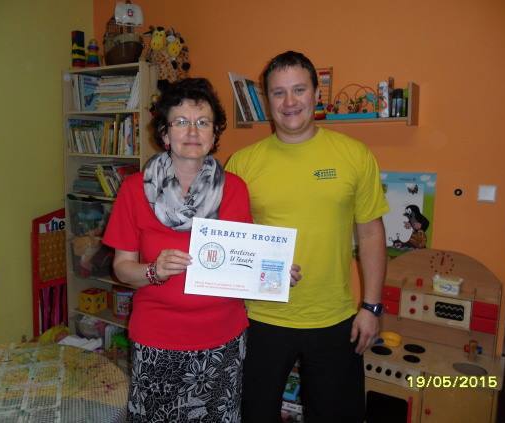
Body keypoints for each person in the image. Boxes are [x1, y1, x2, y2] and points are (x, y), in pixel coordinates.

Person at [226, 51, 389, 422]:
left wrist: (371, 308)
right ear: (267, 100)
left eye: (299, 90)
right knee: (253, 415)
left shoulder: (354, 155)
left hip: (334, 319)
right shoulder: (242, 164)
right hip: (260, 318)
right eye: (278, 92)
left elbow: (370, 233)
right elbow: (232, 241)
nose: (289, 101)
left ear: (316, 94)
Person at [102, 78, 253, 422]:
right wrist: (153, 270)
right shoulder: (133, 190)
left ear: (214, 134)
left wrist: (273, 272)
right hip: (157, 339)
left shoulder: (235, 189)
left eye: (203, 122)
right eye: (181, 121)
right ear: (165, 133)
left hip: (223, 339)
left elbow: (243, 261)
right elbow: (121, 268)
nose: (193, 131)